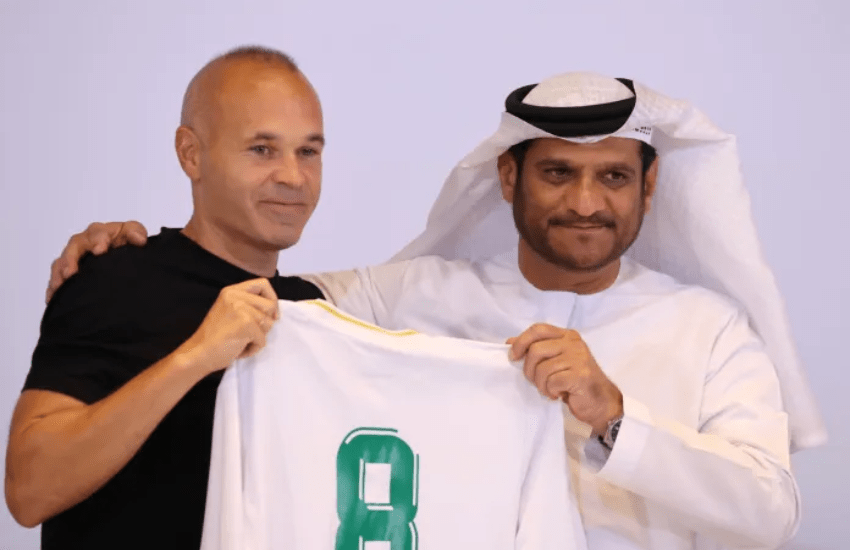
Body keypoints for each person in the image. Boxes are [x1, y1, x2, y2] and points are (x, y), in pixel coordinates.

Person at [43, 72, 827, 549]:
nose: (586, 202)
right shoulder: (412, 296)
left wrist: (615, 416)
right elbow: (240, 292)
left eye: (614, 178)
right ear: (509, 178)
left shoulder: (710, 329)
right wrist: (134, 255)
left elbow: (771, 514)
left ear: (649, 187)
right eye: (557, 173)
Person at [4, 46, 326, 549]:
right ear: (191, 154)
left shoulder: (312, 311)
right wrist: (195, 357)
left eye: (308, 151)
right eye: (262, 149)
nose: (293, 176)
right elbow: (29, 491)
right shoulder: (116, 279)